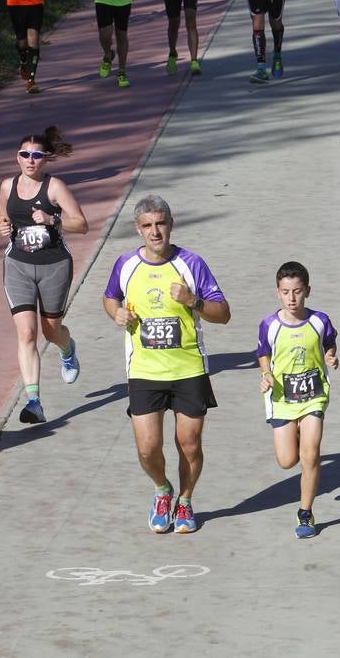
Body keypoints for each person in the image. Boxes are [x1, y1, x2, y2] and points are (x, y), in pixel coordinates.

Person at [103, 194, 231, 534]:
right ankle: (163, 490)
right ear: (138, 229)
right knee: (147, 449)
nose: (155, 231)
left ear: (171, 224)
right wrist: (116, 312)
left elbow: (223, 314)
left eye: (160, 223)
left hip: (189, 369)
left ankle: (185, 500)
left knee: (189, 445)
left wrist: (193, 300)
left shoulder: (192, 264)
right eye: (147, 225)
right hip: (144, 370)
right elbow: (110, 296)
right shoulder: (125, 265)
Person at [0, 126, 89, 424]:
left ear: (45, 159)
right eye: (25, 154)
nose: (30, 160)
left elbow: (82, 225)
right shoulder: (7, 186)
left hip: (54, 265)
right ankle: (34, 402)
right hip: (18, 265)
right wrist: (2, 225)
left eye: (36, 156)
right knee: (27, 333)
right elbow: (2, 216)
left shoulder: (55, 187)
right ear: (17, 157)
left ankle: (67, 348)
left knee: (51, 331)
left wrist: (53, 219)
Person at [257, 261, 339, 539]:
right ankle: (297, 431)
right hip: (283, 398)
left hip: (314, 396)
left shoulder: (320, 321)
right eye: (285, 292)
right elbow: (263, 353)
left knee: (310, 454)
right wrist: (266, 374)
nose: (291, 298)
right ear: (277, 293)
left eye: (297, 291)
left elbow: (329, 343)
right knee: (286, 460)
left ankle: (306, 512)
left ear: (308, 291)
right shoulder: (269, 325)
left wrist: (330, 356)